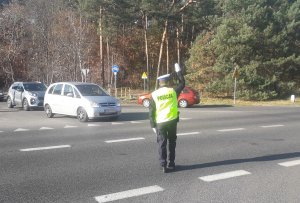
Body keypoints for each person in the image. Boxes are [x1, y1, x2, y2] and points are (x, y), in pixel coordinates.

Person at [149, 63, 185, 173]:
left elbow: (151, 112)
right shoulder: (173, 92)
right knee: (172, 143)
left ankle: (163, 165)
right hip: (172, 121)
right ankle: (172, 164)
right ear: (168, 82)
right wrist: (178, 71)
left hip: (161, 123)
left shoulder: (154, 94)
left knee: (162, 143)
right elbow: (182, 83)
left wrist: (153, 125)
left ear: (159, 83)